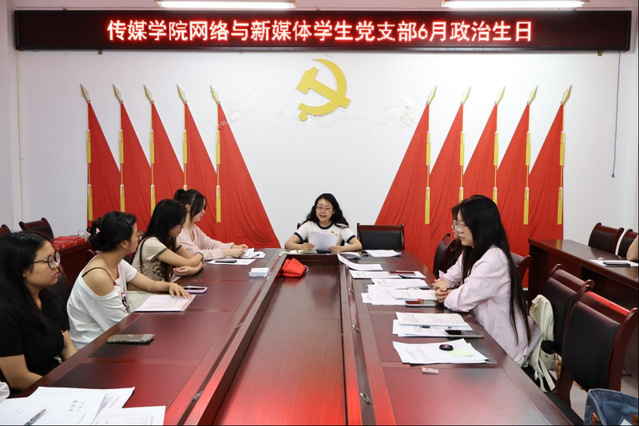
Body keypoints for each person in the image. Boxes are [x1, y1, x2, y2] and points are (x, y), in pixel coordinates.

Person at [67, 212, 190, 349]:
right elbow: (122, 326)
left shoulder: (116, 262)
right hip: (93, 348)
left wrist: (169, 286)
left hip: (115, 337)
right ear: (124, 243)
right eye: (136, 234)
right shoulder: (99, 276)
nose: (139, 237)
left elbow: (149, 284)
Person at [432, 195, 531, 365]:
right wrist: (449, 290)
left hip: (501, 351)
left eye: (463, 224)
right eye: (457, 224)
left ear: (481, 226)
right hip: (481, 333)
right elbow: (449, 278)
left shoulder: (493, 260)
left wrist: (449, 293)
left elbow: (461, 300)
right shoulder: (473, 250)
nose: (458, 230)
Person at [0, 232, 76, 393]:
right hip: (26, 394)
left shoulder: (49, 298)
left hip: (54, 382)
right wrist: (62, 389)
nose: (57, 265)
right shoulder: (5, 313)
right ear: (22, 270)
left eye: (55, 257)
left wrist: (79, 374)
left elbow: (67, 346)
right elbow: (18, 378)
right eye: (48, 260)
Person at [132, 199, 204, 284]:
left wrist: (194, 269)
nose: (183, 227)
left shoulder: (170, 239)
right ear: (169, 223)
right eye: (180, 223)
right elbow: (191, 263)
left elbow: (198, 263)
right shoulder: (151, 244)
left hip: (158, 289)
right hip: (143, 291)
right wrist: (200, 254)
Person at [174, 188, 248, 260]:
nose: (203, 212)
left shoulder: (194, 228)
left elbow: (210, 244)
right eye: (200, 208)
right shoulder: (179, 232)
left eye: (204, 208)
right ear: (188, 207)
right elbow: (195, 254)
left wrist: (232, 247)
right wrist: (226, 252)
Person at [285, 193, 362, 253]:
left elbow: (358, 245)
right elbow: (288, 244)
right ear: (315, 209)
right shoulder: (309, 225)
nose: (323, 211)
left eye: (327, 208)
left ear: (333, 211)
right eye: (320, 207)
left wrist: (341, 248)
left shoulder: (340, 227)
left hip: (334, 261)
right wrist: (302, 247)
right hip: (312, 261)